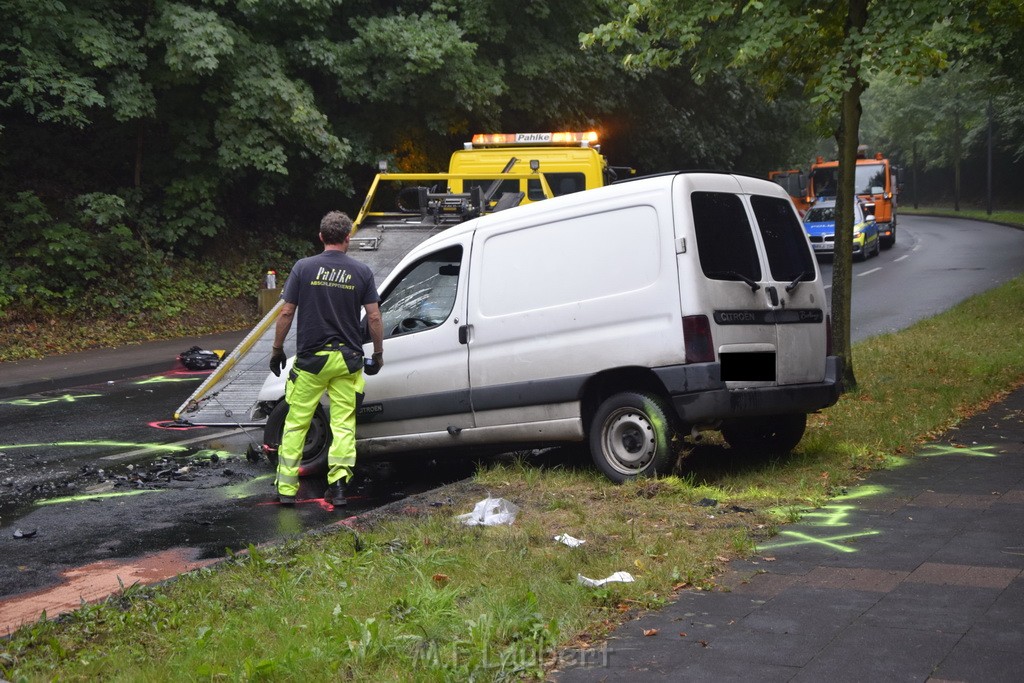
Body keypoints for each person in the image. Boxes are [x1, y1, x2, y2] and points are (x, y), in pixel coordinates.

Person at [269, 211, 384, 507]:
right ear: (348, 239)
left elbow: (285, 312)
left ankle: (286, 488)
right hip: (347, 361)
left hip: (311, 362)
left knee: (296, 423)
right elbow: (374, 316)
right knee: (343, 424)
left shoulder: (303, 268)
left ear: (321, 237)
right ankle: (340, 488)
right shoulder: (361, 272)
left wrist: (277, 350)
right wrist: (378, 354)